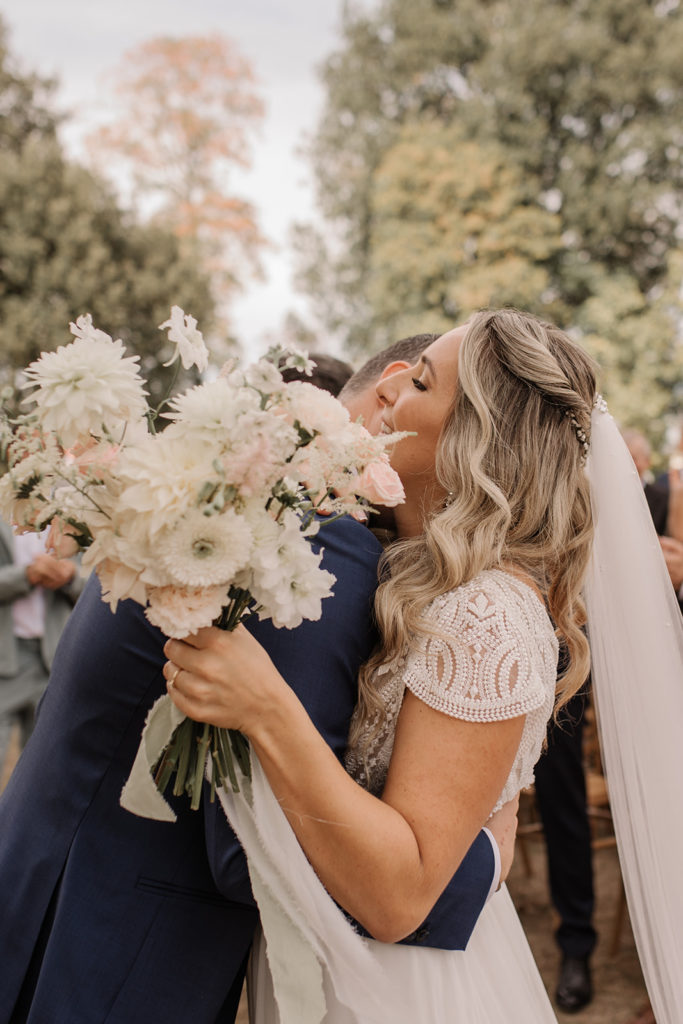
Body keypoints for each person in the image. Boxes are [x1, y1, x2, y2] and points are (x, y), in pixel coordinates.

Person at [0, 337, 506, 1024]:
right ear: (388, 391)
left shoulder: (232, 500)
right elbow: (251, 844)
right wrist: (474, 859)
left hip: (53, 879)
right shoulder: (319, 535)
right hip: (116, 943)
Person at [162, 309, 602, 1022]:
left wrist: (265, 708)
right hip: (337, 967)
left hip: (402, 992)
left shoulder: (483, 612)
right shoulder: (422, 585)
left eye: (422, 382)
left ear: (474, 439)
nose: (391, 387)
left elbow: (400, 898)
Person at [0, 517, 84, 774]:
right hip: (6, 659)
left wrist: (70, 577)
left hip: (53, 659)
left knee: (42, 773)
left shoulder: (71, 515)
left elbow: (95, 589)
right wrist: (26, 575)